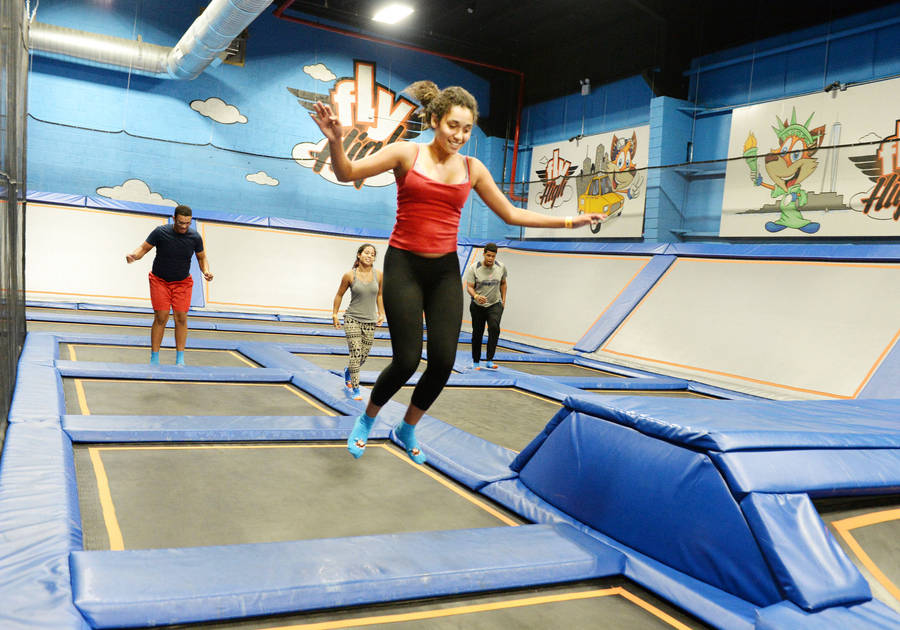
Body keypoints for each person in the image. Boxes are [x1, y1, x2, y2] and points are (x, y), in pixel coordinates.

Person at [311, 81, 602, 464]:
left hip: (445, 270)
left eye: (467, 129)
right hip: (404, 266)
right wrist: (335, 141)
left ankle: (408, 426)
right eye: (453, 126)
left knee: (445, 361)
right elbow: (348, 172)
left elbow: (512, 213)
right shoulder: (406, 153)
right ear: (434, 120)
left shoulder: (472, 168)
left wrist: (570, 221)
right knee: (407, 360)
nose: (459, 136)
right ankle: (367, 419)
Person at [125, 205, 213, 366]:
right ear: (174, 219)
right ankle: (154, 358)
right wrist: (134, 256)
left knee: (181, 318)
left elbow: (202, 258)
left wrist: (206, 271)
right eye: (181, 223)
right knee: (161, 317)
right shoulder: (161, 232)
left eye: (187, 223)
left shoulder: (195, 237)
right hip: (160, 281)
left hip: (182, 283)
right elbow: (143, 248)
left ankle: (180, 359)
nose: (184, 226)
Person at [332, 243, 385, 401]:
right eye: (367, 253)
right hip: (352, 319)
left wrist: (381, 313)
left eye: (373, 254)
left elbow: (380, 295)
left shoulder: (379, 275)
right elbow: (339, 294)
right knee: (355, 353)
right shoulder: (349, 275)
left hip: (370, 321)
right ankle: (355, 388)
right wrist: (335, 314)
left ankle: (349, 371)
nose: (370, 256)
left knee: (363, 356)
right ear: (359, 255)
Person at [464, 243, 507, 370]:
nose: (490, 258)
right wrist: (476, 296)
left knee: (494, 328)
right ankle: (476, 361)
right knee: (478, 332)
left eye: (493, 256)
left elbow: (503, 284)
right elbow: (469, 287)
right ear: (483, 254)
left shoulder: (501, 267)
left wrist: (503, 300)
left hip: (494, 304)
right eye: (488, 255)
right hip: (478, 306)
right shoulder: (474, 268)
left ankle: (489, 359)